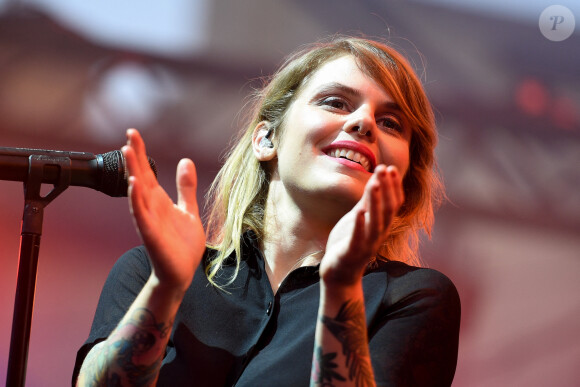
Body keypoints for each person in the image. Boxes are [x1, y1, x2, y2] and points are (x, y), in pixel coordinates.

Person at [73, 36, 460, 387]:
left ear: (405, 181)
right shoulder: (149, 270)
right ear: (266, 138)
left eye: (390, 123)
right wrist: (166, 289)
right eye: (336, 102)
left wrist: (342, 287)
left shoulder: (413, 298)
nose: (363, 123)